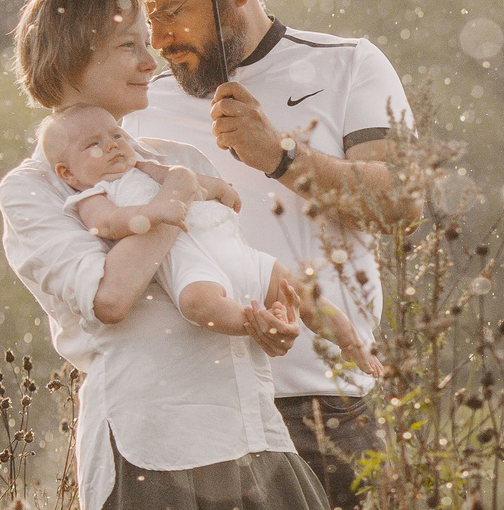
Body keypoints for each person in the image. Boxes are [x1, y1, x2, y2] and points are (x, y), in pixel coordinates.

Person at [0, 0, 347, 510]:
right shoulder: (35, 189)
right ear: (72, 57)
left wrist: (265, 320)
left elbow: (225, 267)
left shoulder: (180, 159)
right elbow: (111, 296)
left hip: (247, 430)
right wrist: (173, 202)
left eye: (147, 42)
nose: (150, 60)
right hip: (151, 447)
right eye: (128, 45)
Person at [121, 0, 415, 510]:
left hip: (324, 407)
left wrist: (280, 155)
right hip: (198, 415)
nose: (160, 38)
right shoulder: (141, 106)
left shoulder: (348, 66)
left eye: (173, 9)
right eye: (148, 20)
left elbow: (402, 202)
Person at [39, 103, 362, 352]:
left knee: (301, 290)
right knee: (200, 304)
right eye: (94, 144)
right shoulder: (94, 195)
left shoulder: (147, 166)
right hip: (195, 268)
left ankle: (352, 342)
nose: (112, 146)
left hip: (233, 251)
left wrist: (217, 188)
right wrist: (154, 212)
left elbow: (191, 183)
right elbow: (107, 224)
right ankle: (255, 321)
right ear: (68, 173)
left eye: (116, 136)